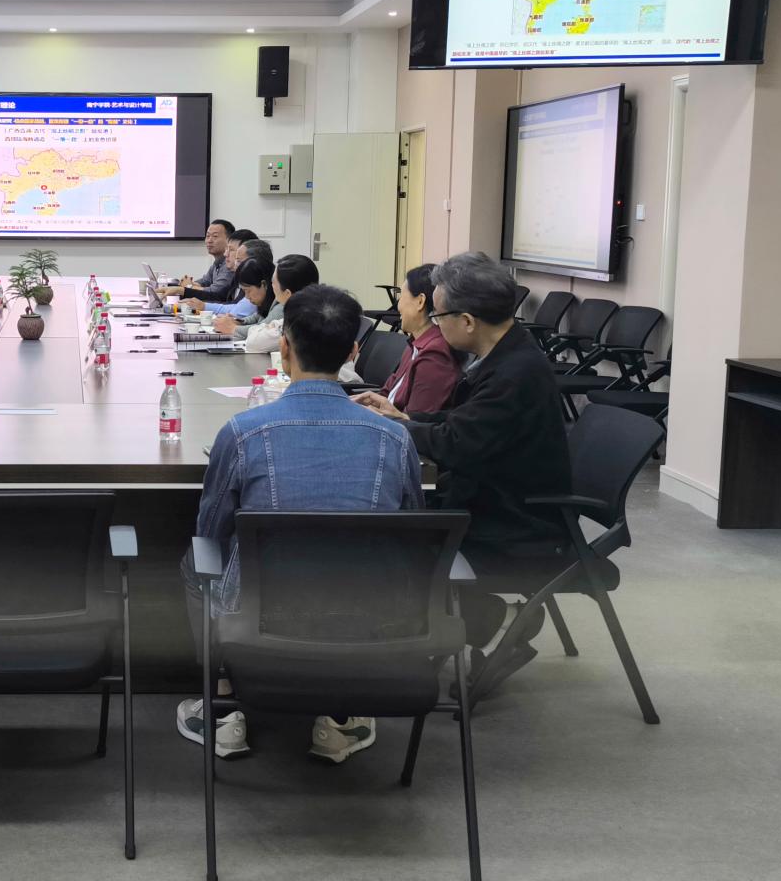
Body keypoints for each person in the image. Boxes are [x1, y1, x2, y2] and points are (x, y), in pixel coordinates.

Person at [177, 284, 424, 764]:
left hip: (260, 610)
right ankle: (339, 717)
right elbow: (411, 528)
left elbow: (210, 529)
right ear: (353, 353)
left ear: (284, 347)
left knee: (197, 561)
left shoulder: (243, 431)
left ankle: (224, 703)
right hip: (367, 607)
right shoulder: (395, 438)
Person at [353, 251, 572, 691]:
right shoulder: (504, 356)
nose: (435, 323)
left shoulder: (514, 374)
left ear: (467, 321)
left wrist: (396, 428)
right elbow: (465, 423)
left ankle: (496, 620)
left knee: (383, 541)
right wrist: (403, 418)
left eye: (439, 315)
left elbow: (458, 444)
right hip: (493, 495)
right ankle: (470, 624)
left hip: (515, 521)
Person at [366, 264, 462, 416]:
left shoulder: (435, 355)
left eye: (401, 296)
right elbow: (387, 394)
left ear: (420, 302)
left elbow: (415, 422)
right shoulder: (415, 344)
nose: (398, 305)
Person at [239, 254, 317, 353]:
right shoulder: (317, 311)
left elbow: (253, 343)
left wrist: (267, 328)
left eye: (273, 282)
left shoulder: (294, 324)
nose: (271, 286)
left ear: (287, 294)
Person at [183, 239, 272, 316]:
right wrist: (203, 305)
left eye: (239, 261)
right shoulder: (234, 275)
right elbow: (230, 303)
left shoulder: (256, 286)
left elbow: (237, 311)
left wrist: (188, 290)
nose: (225, 254)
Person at [161, 222, 242, 301]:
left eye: (215, 236)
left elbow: (215, 292)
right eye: (208, 236)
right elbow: (205, 281)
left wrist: (189, 287)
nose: (209, 240)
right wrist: (189, 284)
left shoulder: (230, 265)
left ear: (229, 240)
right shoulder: (217, 263)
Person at [211, 258, 275, 337]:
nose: (247, 297)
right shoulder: (266, 303)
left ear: (264, 285)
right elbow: (257, 317)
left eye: (248, 291)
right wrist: (237, 321)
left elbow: (262, 330)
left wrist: (232, 328)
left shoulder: (279, 305)